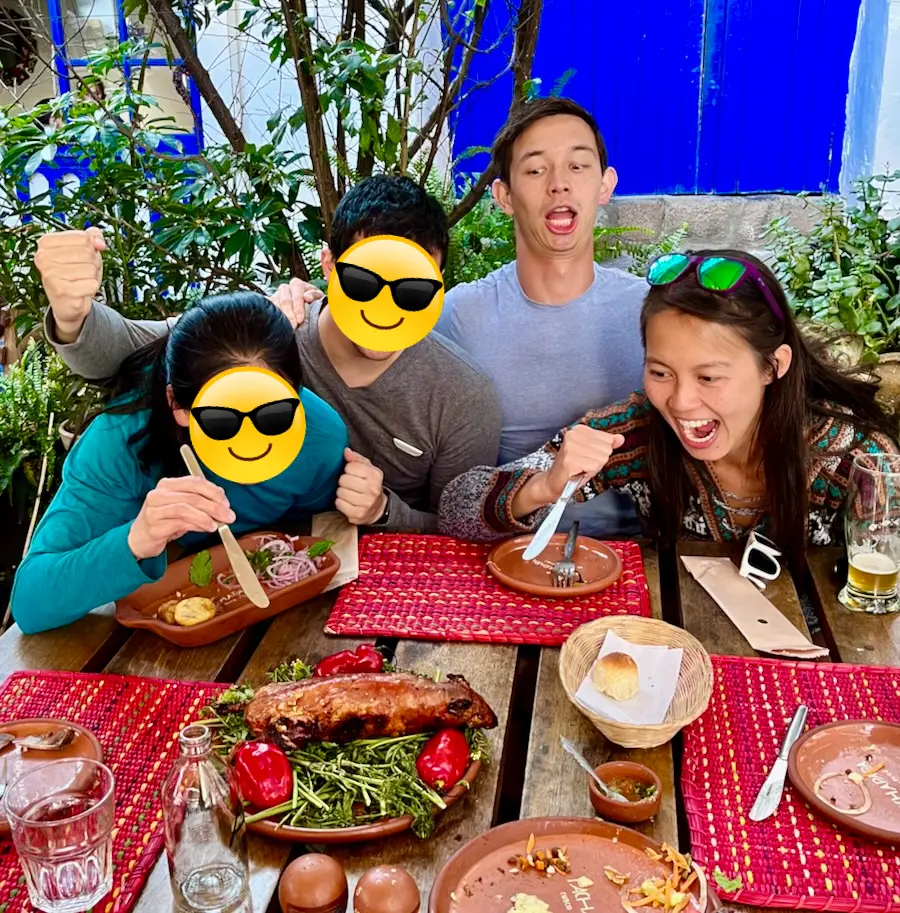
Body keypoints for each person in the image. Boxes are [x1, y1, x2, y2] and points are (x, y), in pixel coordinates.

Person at [268, 98, 647, 537]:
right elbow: (372, 318)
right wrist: (294, 306)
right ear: (503, 195)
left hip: (633, 551)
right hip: (500, 549)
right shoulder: (453, 316)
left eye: (578, 166)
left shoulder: (652, 314)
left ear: (606, 183)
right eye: (536, 169)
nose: (559, 184)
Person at [36, 177, 501, 533]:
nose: (384, 304)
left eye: (413, 289)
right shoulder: (269, 333)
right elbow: (131, 351)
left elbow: (457, 528)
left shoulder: (462, 394)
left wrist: (384, 510)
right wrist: (73, 311)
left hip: (386, 593)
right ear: (328, 267)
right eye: (363, 281)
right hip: (242, 571)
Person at [438, 250, 900, 575]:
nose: (680, 402)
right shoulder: (638, 430)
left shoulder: (856, 461)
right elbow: (456, 508)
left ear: (772, 367)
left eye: (709, 377)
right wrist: (545, 483)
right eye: (661, 372)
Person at [11, 292, 347, 634]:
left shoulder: (319, 436)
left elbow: (315, 534)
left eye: (274, 413)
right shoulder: (119, 441)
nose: (249, 436)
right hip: (144, 629)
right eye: (221, 419)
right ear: (178, 405)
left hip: (277, 621)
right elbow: (30, 602)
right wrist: (136, 539)